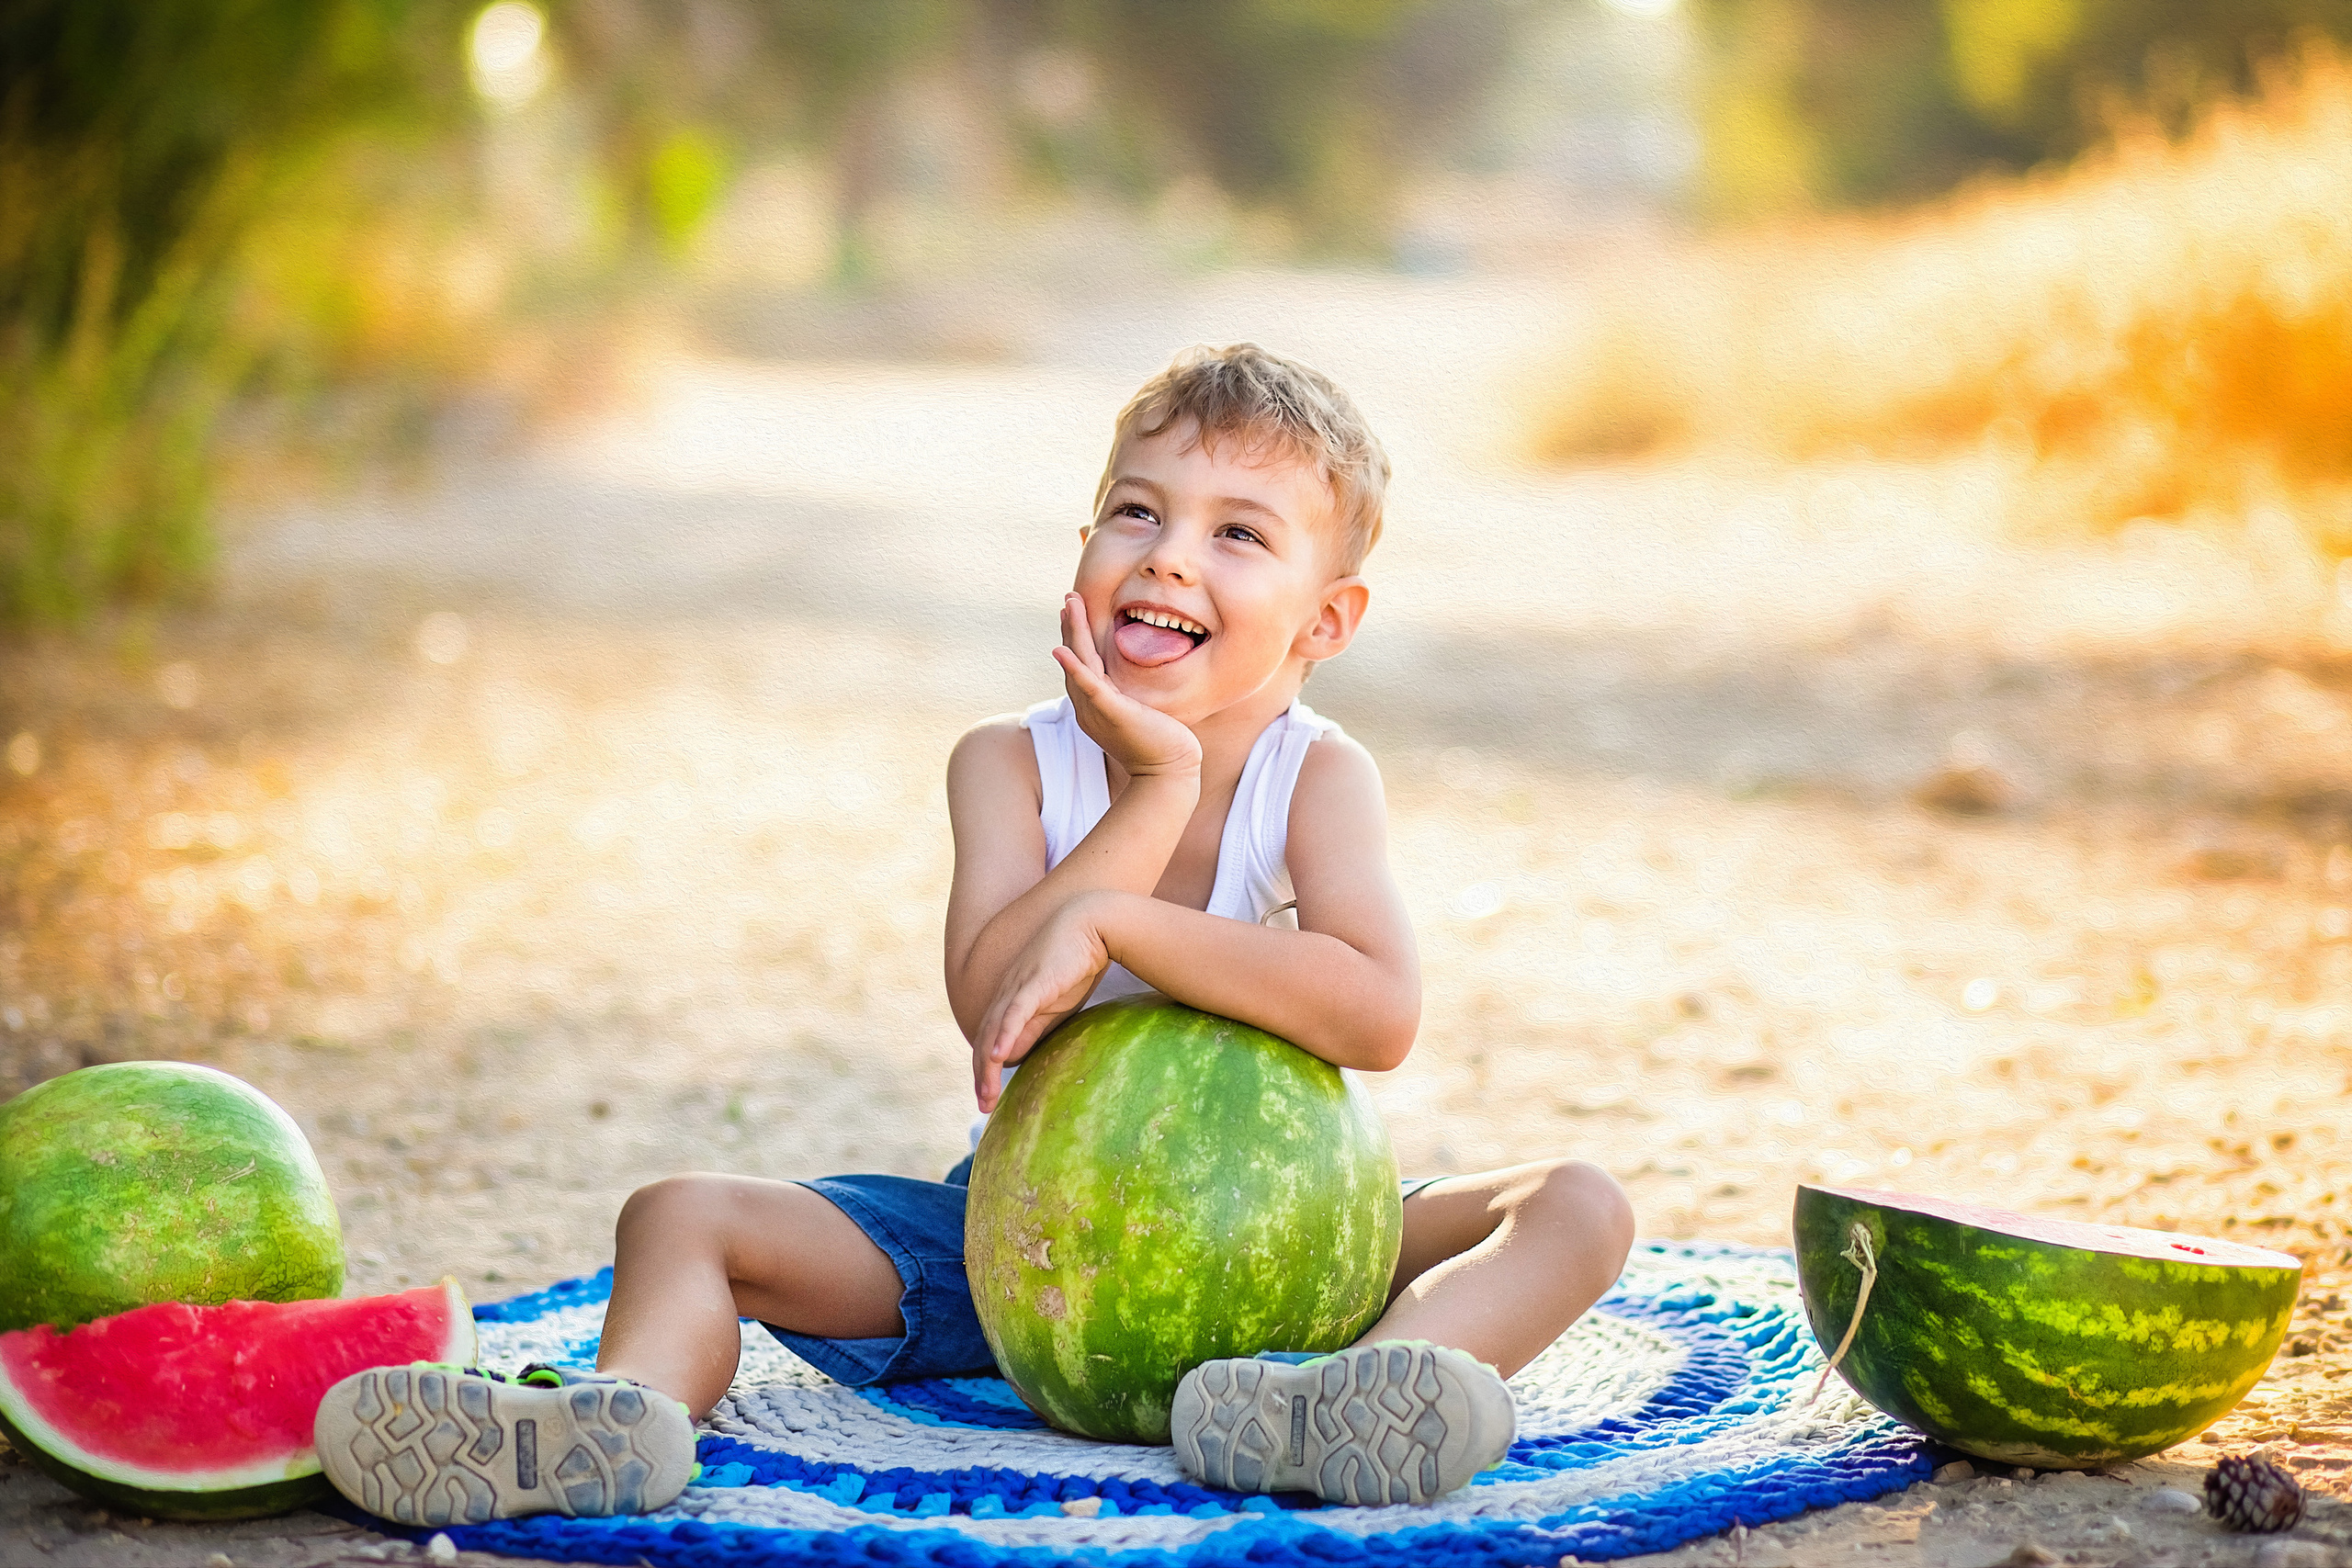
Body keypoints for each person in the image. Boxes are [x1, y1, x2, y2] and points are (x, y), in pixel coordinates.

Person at [313, 343, 1637, 1527]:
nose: (1170, 554)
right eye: (1138, 511)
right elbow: (994, 996)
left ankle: (1343, 1401)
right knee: (682, 1213)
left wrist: (1124, 925)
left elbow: (1376, 1010)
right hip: (1025, 1253)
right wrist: (1157, 794)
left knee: (1577, 1203)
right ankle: (615, 1421)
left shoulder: (1319, 780)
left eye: (1240, 534)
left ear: (1326, 622)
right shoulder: (1010, 765)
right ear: (1082, 547)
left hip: (1292, 1235)